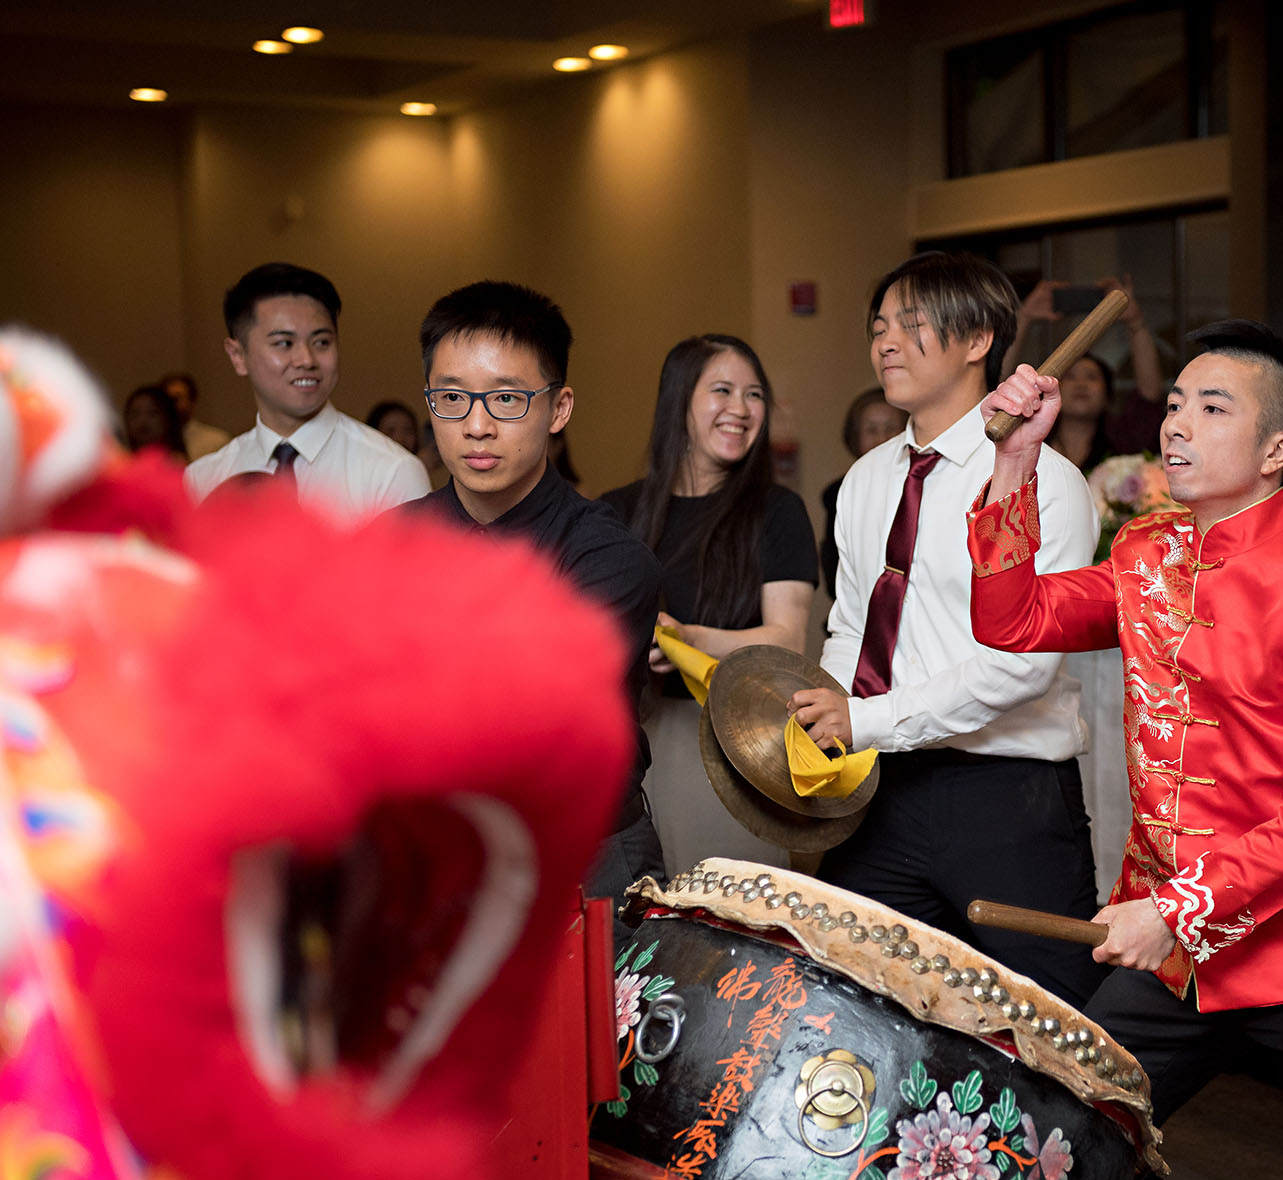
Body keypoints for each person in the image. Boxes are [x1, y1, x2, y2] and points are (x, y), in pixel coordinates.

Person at [968, 320, 1283, 1180]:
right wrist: (1016, 461)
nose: (1177, 424)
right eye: (1175, 402)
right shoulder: (1146, 554)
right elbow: (1012, 619)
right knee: (1059, 1142)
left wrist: (1174, 907)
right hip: (1178, 953)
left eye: (1211, 407)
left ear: (1277, 450)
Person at [788, 250, 1105, 1009]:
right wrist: (830, 711)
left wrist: (863, 718)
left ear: (979, 339)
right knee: (846, 1001)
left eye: (911, 324)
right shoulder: (865, 479)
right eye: (878, 327)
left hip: (1007, 802)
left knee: (1050, 1027)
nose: (886, 343)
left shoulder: (1042, 481)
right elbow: (853, 624)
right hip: (882, 792)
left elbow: (1020, 665)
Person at [398, 280, 666, 925]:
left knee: (597, 1028)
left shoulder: (607, 559)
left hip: (586, 858)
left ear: (559, 407)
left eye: (508, 399)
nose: (477, 425)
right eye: (453, 398)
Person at [599, 334, 818, 870]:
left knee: (728, 925)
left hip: (735, 746)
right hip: (628, 742)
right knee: (633, 931)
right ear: (679, 402)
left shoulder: (777, 511)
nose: (740, 410)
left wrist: (687, 639)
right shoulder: (616, 511)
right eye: (722, 390)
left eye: (755, 394)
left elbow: (786, 637)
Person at [185, 263, 430, 521]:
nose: (306, 359)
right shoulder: (202, 480)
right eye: (284, 344)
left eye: (321, 342)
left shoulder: (391, 473)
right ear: (237, 355)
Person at [1012, 276, 1165, 466]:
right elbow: (993, 386)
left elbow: (1149, 394)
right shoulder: (1030, 441)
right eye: (1070, 376)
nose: (1081, 384)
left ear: (1108, 395)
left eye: (1092, 377)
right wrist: (1024, 316)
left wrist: (1136, 323)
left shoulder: (1124, 441)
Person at [821, 387, 907, 601]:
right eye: (871, 430)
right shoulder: (839, 493)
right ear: (855, 438)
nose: (881, 438)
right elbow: (835, 577)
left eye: (890, 428)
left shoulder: (920, 482)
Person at [121, 384, 189, 461]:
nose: (142, 421)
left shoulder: (177, 462)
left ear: (168, 417)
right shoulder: (124, 462)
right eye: (135, 413)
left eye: (152, 413)